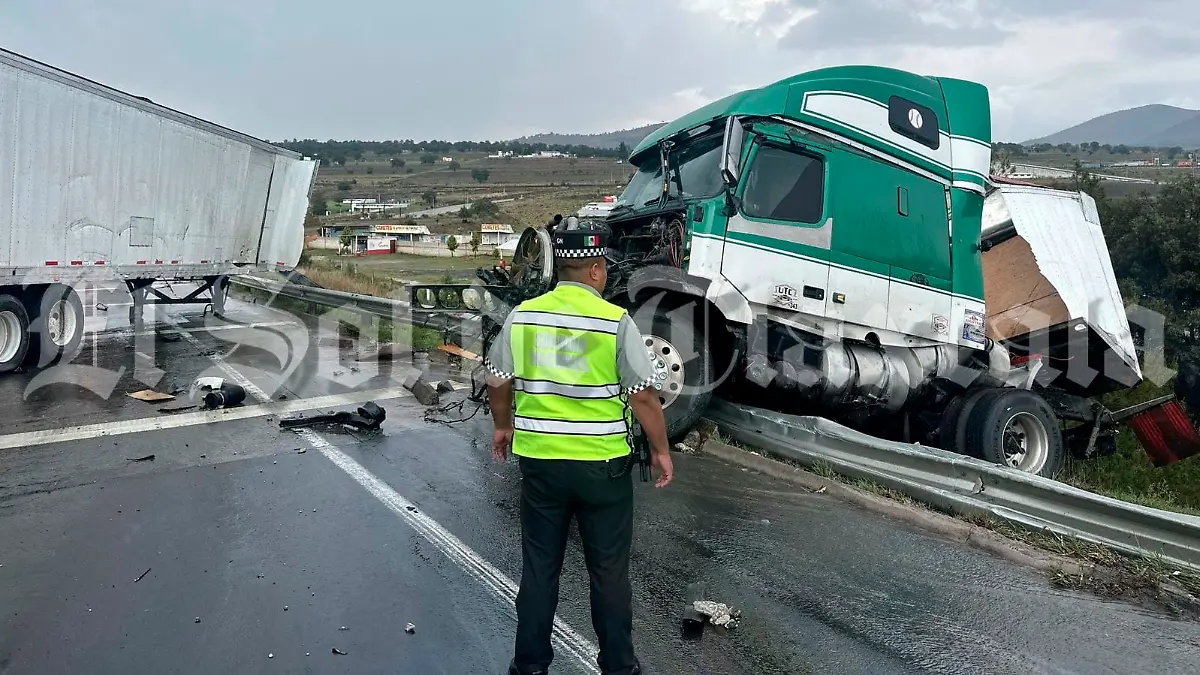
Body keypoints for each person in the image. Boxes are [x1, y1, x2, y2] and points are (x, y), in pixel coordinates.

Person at [484, 217, 673, 675]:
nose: (605, 273)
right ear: (593, 271)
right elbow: (644, 395)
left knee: (540, 568)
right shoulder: (615, 321)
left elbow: (497, 380)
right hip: (603, 469)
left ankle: (529, 666)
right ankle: (618, 667)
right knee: (608, 573)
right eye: (603, 266)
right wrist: (662, 451)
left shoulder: (524, 315)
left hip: (542, 466)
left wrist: (503, 427)